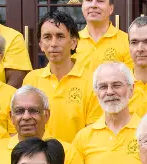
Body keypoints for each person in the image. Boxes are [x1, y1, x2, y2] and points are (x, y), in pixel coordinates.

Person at [22, 10, 99, 143]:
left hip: (77, 159)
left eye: (60, 36)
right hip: (39, 160)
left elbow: (92, 134)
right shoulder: (31, 80)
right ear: (41, 45)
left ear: (74, 42)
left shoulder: (92, 81)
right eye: (47, 37)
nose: (53, 44)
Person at [71, 62, 143, 164]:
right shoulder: (83, 137)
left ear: (131, 89)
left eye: (116, 85)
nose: (109, 92)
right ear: (96, 93)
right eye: (103, 87)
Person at [74, 0, 132, 75]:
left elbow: (131, 81)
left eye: (100, 1)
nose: (93, 5)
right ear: (82, 7)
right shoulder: (73, 41)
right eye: (88, 0)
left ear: (111, 9)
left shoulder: (127, 41)